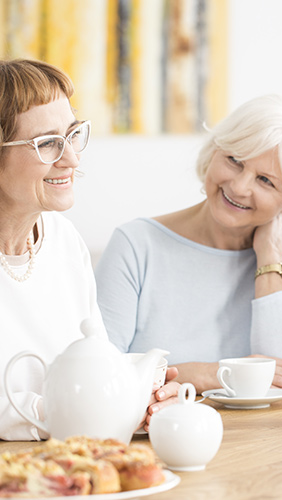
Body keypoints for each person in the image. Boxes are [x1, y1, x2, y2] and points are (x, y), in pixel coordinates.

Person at [95, 94, 282, 395]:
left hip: (266, 439)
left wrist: (269, 258)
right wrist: (205, 374)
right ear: (214, 152)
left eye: (266, 181)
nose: (240, 187)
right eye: (235, 161)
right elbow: (99, 375)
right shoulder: (136, 245)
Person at [0, 59, 179, 441]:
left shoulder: (63, 240)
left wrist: (141, 398)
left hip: (70, 464)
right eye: (47, 143)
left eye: (73, 134)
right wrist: (78, 411)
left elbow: (96, 363)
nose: (72, 158)